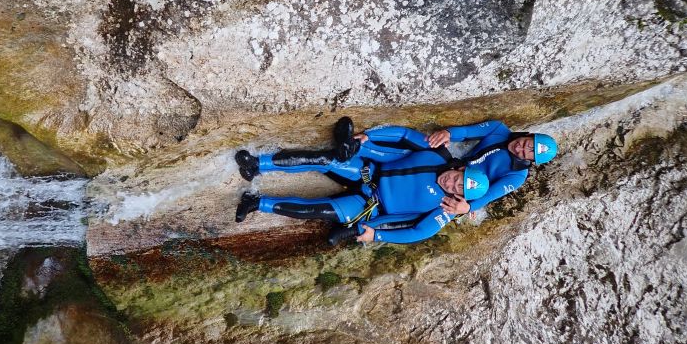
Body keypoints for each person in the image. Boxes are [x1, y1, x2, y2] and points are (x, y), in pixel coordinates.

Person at [233, 117, 557, 245]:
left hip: (371, 204)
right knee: (328, 159)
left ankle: (256, 202)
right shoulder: (442, 156)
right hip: (370, 174)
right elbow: (404, 136)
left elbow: (419, 232)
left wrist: (376, 236)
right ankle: (255, 165)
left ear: (530, 161)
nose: (522, 148)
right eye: (527, 141)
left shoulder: (446, 207)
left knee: (323, 211)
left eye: (529, 152)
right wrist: (368, 137)